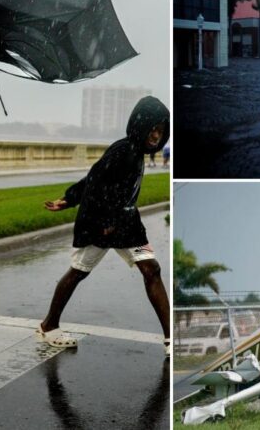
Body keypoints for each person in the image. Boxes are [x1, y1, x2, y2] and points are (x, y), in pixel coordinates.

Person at [40, 96, 171, 356]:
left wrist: (70, 200)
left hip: (127, 223)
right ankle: (49, 325)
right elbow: (95, 181)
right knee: (78, 271)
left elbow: (100, 181)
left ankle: (170, 340)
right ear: (140, 126)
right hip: (103, 223)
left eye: (161, 131)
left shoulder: (137, 153)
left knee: (151, 269)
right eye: (152, 129)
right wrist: (71, 200)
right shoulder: (123, 150)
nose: (156, 136)